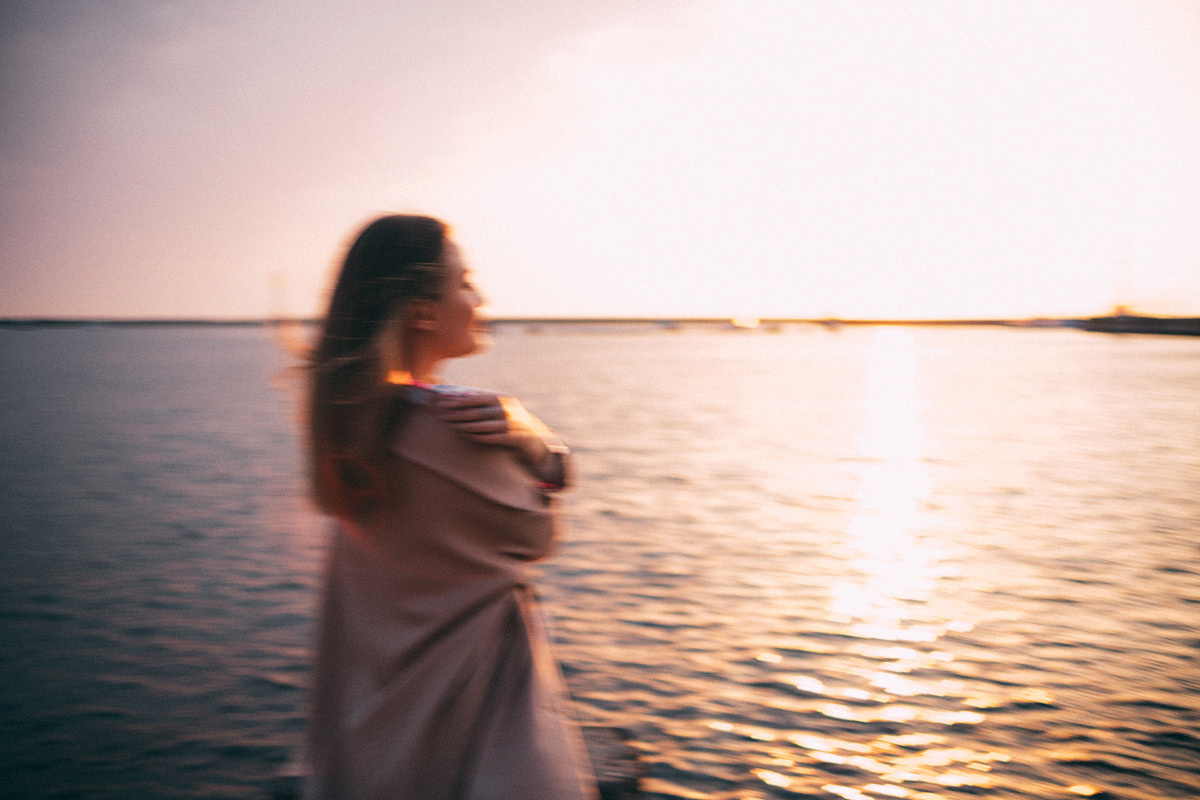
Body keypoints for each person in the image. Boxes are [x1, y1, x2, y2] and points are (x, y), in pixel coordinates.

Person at [302, 214, 598, 799]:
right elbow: (540, 535)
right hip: (471, 725)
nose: (480, 299)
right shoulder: (455, 425)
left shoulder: (349, 427)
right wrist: (535, 440)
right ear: (422, 312)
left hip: (376, 726)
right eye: (464, 283)